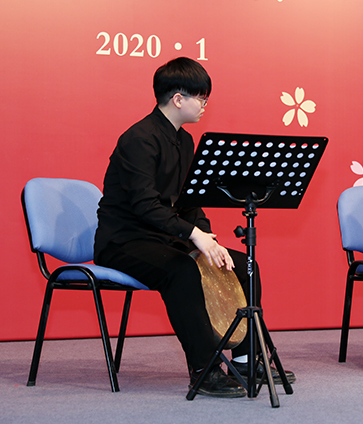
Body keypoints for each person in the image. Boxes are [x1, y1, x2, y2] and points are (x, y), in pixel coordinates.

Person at [94, 57, 293, 397]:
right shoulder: (138, 139)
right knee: (182, 270)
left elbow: (189, 203)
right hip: (124, 242)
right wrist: (193, 236)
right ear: (177, 99)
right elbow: (144, 206)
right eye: (201, 97)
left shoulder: (184, 141)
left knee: (244, 265)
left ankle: (247, 360)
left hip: (165, 239)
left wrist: (208, 237)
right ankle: (205, 369)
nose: (204, 104)